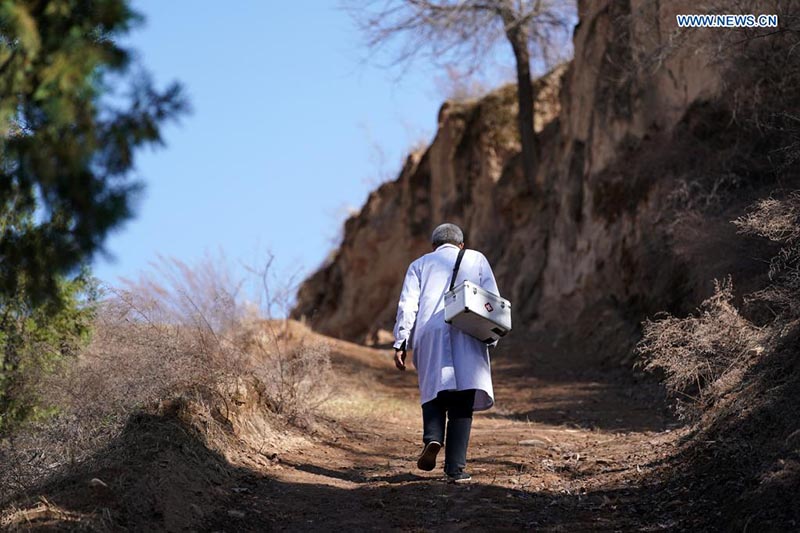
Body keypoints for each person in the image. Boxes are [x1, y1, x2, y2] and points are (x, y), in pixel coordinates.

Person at [392, 222, 500, 483]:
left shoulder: (419, 265)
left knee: (434, 388)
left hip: (430, 333)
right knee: (463, 401)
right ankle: (455, 469)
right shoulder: (476, 259)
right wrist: (492, 336)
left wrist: (401, 341)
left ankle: (432, 438)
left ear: (434, 246)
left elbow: (408, 305)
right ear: (461, 244)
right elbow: (491, 300)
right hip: (467, 329)